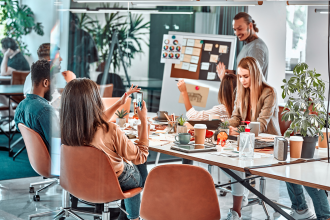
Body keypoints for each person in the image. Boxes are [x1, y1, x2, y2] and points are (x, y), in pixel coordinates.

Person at [60, 78, 147, 220]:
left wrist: (121, 101)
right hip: (111, 183)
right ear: (95, 101)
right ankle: (134, 217)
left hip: (79, 180)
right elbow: (141, 155)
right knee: (139, 166)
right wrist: (144, 121)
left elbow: (97, 121)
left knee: (123, 156)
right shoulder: (110, 130)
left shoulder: (68, 130)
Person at [224, 57, 280, 220]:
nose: (241, 80)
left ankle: (238, 205)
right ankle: (240, 201)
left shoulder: (269, 92)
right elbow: (235, 117)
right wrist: (225, 126)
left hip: (267, 144)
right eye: (240, 76)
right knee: (225, 160)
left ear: (255, 75)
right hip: (246, 142)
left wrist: (238, 129)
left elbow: (261, 125)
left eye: (245, 76)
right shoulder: (239, 91)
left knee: (235, 162)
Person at [14, 60, 59, 151]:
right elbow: (58, 145)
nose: (55, 89)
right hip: (54, 160)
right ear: (45, 82)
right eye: (54, 83)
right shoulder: (46, 111)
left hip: (37, 158)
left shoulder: (20, 106)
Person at [217, 12, 269, 81]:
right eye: (235, 29)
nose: (236, 33)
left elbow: (253, 78)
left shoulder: (256, 48)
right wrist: (234, 73)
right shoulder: (249, 43)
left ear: (250, 26)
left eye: (240, 29)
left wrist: (225, 79)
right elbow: (247, 73)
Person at [67, 12, 98, 78]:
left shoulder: (85, 36)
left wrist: (80, 58)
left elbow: (95, 57)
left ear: (72, 22)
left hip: (82, 76)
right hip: (65, 76)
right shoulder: (64, 36)